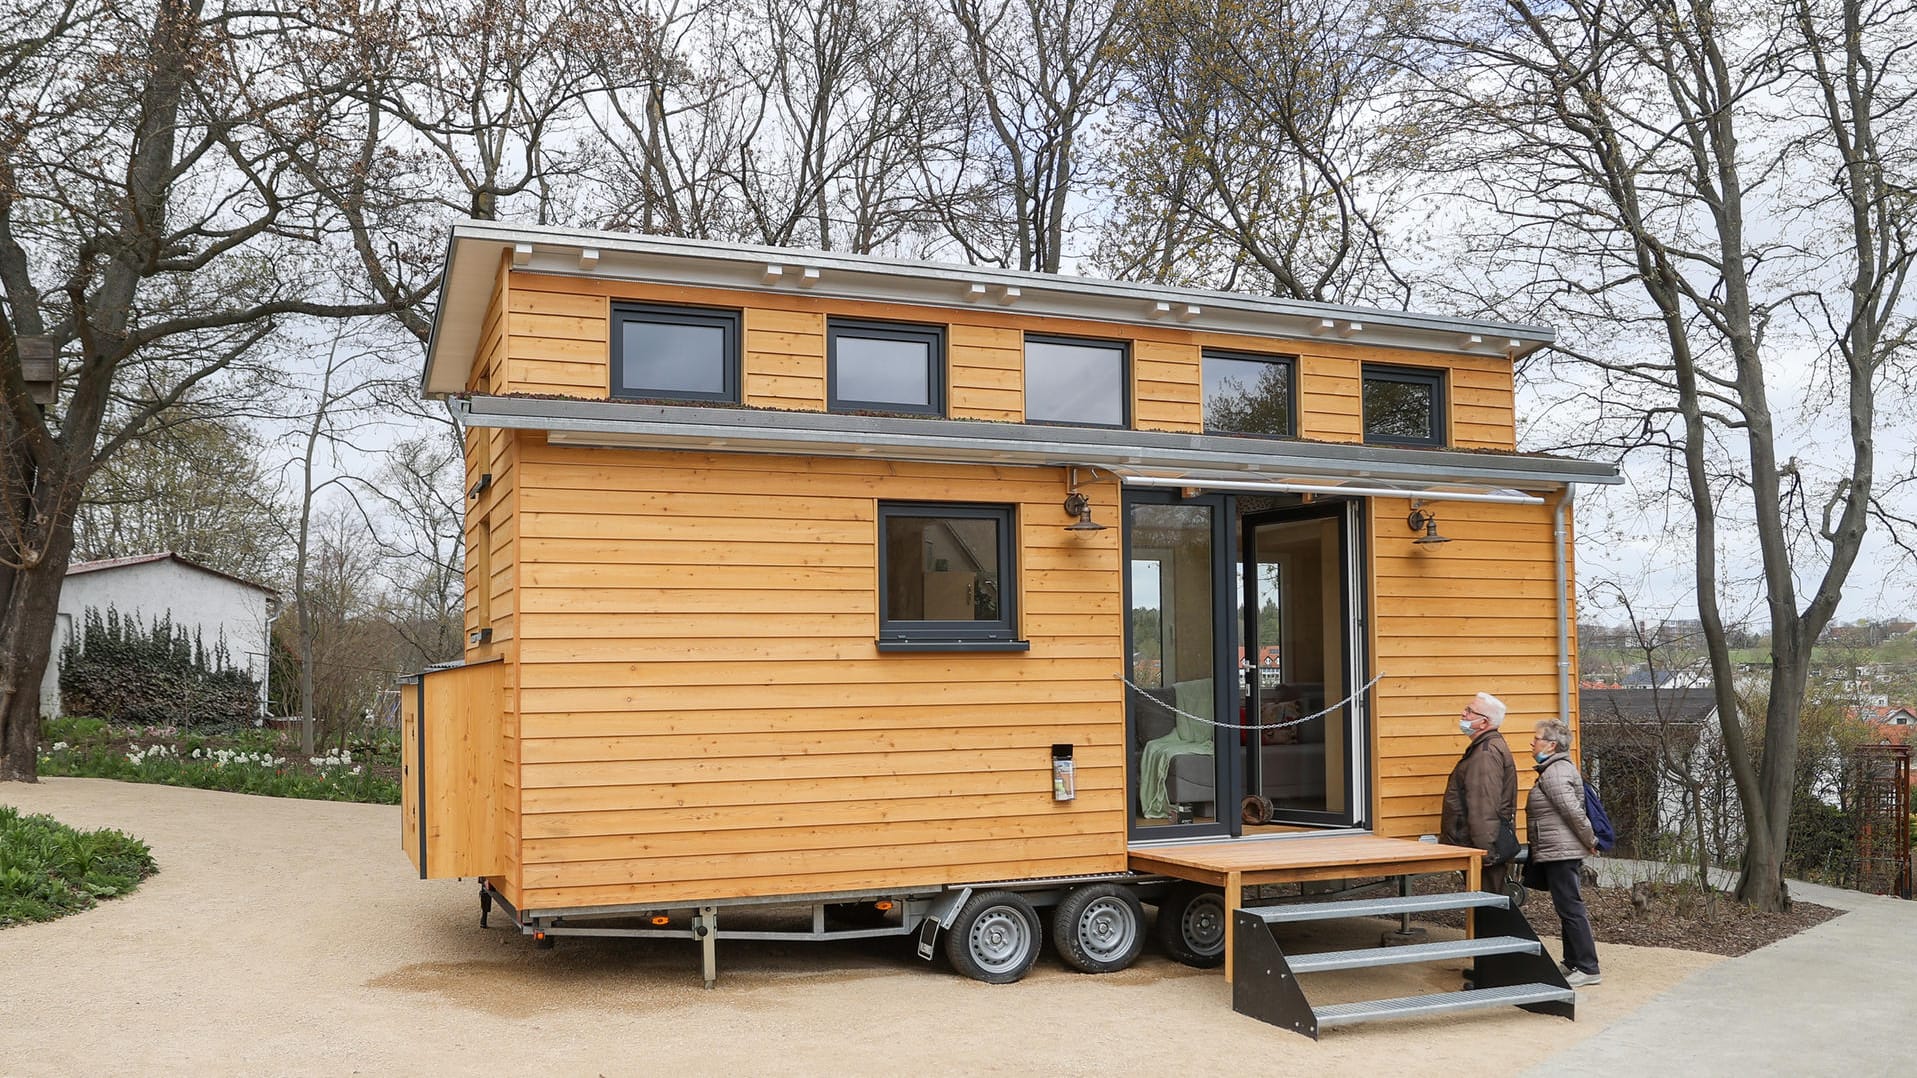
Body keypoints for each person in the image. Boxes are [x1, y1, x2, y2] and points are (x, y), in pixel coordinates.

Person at [1528, 718, 1602, 987]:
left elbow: (1572, 811)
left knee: (1571, 908)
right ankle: (1572, 962)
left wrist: (1590, 839)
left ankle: (1587, 966)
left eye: (1536, 739)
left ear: (1551, 744)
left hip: (1562, 851)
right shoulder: (1552, 769)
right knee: (1566, 907)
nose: (1531, 743)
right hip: (1557, 849)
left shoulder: (1556, 772)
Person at [1440, 691, 1518, 895]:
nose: (1463, 714)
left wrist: (1486, 853)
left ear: (1484, 723)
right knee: (1485, 909)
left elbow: (1484, 807)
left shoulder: (1485, 754)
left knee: (1487, 908)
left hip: (1482, 850)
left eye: (1469, 711)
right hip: (1481, 846)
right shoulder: (1484, 748)